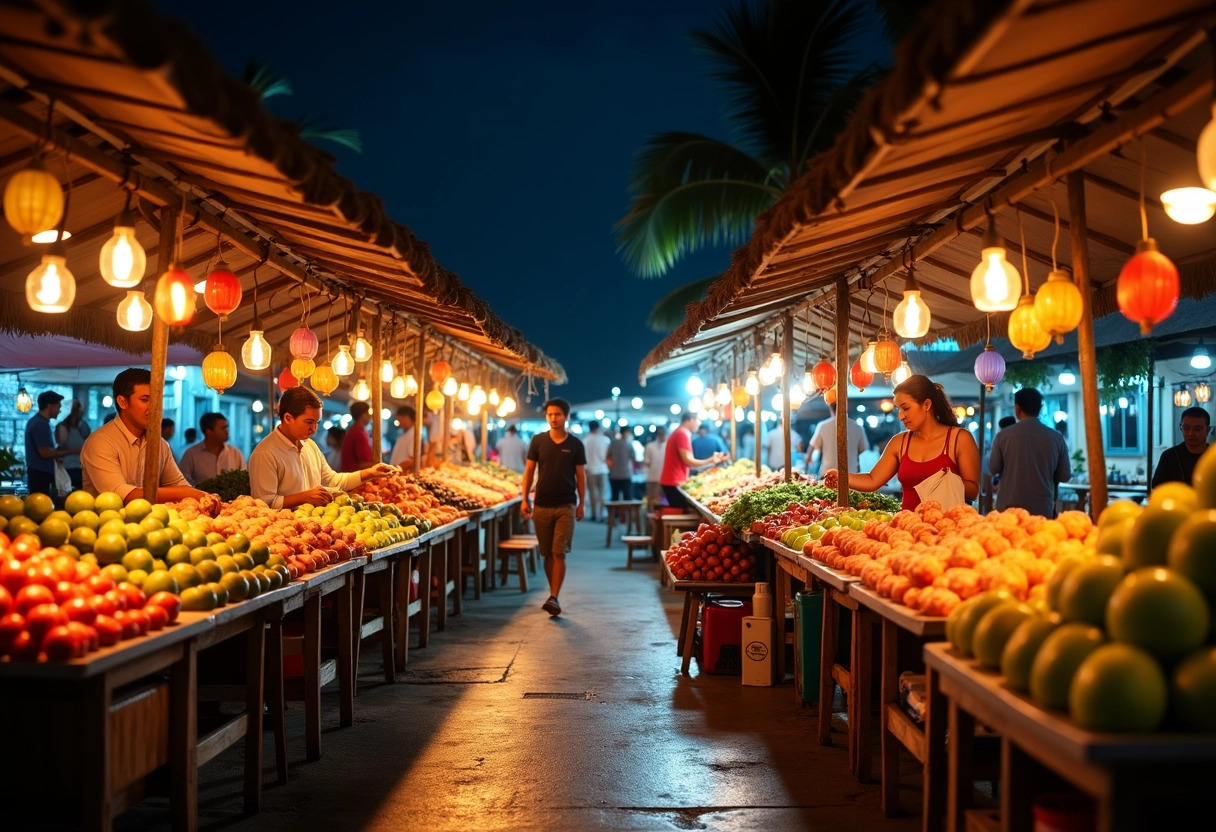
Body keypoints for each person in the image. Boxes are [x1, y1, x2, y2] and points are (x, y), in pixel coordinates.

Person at [824, 374, 979, 511]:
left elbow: (973, 490)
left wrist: (943, 481)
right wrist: (842, 477)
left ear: (926, 405)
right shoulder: (900, 442)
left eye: (905, 408)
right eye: (898, 409)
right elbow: (872, 480)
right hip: (907, 531)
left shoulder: (960, 438)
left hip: (947, 531)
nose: (901, 416)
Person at [249, 386, 395, 509]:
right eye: (309, 422)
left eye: (317, 422)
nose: (314, 428)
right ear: (288, 418)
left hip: (316, 526)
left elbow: (332, 480)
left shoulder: (310, 445)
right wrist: (304, 497)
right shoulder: (265, 453)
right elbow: (264, 503)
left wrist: (370, 473)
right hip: (283, 533)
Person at [80, 369, 208, 504]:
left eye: (157, 399)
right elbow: (122, 496)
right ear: (122, 402)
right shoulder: (100, 443)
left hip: (153, 523)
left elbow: (178, 485)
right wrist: (186, 492)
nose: (154, 407)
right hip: (107, 524)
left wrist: (194, 494)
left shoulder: (160, 444)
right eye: (145, 399)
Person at [520, 398, 586, 617]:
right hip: (541, 505)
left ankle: (554, 596)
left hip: (566, 505)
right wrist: (524, 499)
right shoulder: (538, 441)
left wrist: (582, 503)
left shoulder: (575, 444)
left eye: (557, 414)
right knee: (547, 553)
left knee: (559, 552)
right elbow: (529, 472)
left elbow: (580, 476)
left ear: (566, 416)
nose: (553, 418)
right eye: (550, 414)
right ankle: (552, 592)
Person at [988, 387, 1071, 517]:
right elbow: (1065, 476)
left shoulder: (1002, 436)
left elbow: (993, 469)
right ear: (1040, 408)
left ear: (1017, 408)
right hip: (1042, 510)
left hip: (1008, 510)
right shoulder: (1056, 438)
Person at [660, 412, 729, 509]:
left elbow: (688, 462)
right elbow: (689, 461)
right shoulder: (682, 434)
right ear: (691, 420)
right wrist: (711, 460)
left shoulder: (679, 433)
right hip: (674, 481)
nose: (699, 424)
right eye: (698, 421)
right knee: (680, 512)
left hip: (673, 480)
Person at [178, 412, 246, 486]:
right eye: (223, 428)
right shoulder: (191, 455)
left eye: (227, 427)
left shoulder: (235, 453)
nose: (227, 431)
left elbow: (244, 480)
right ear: (208, 431)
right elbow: (182, 483)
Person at [1151, 406, 1211, 488]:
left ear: (1208, 430)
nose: (1191, 433)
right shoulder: (1169, 456)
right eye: (1186, 428)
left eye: (1197, 429)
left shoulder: (1213, 457)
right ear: (1180, 427)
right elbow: (1158, 488)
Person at [25, 391, 70, 499]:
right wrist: (69, 451)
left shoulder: (37, 421)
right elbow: (45, 453)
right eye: (59, 406)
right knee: (41, 507)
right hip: (40, 476)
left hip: (38, 474)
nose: (60, 410)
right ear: (50, 405)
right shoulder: (40, 424)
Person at [807, 401, 868, 476]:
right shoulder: (857, 427)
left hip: (828, 472)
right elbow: (863, 448)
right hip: (851, 472)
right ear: (845, 408)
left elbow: (812, 447)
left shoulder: (823, 426)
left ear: (830, 408)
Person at [54, 398, 90, 492]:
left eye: (77, 409)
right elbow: (59, 446)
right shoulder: (62, 426)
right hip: (65, 468)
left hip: (81, 468)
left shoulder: (83, 425)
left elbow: (90, 444)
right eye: (74, 409)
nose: (76, 411)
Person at [583, 420, 610, 521]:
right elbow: (608, 456)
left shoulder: (585, 440)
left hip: (590, 470)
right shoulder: (605, 440)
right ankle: (602, 514)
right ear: (598, 428)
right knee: (602, 494)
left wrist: (585, 469)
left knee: (592, 494)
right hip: (603, 469)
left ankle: (595, 514)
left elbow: (583, 456)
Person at [340, 401, 374, 472]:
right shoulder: (358, 433)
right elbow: (363, 462)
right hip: (355, 477)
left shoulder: (354, 430)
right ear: (363, 415)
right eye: (368, 413)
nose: (370, 416)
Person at [607, 428, 636, 501]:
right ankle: (627, 512)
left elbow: (608, 457)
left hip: (614, 474)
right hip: (626, 474)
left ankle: (615, 512)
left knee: (615, 497)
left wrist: (610, 468)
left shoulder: (613, 443)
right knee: (627, 497)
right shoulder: (629, 444)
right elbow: (633, 458)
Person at [643, 427, 667, 508]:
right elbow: (647, 462)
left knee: (660, 501)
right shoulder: (650, 446)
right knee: (652, 501)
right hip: (652, 478)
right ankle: (651, 518)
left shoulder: (668, 446)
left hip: (664, 479)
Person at [389, 405, 418, 470]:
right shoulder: (401, 432)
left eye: (400, 419)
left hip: (403, 473)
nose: (399, 422)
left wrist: (396, 469)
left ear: (407, 418)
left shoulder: (414, 435)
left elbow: (412, 460)